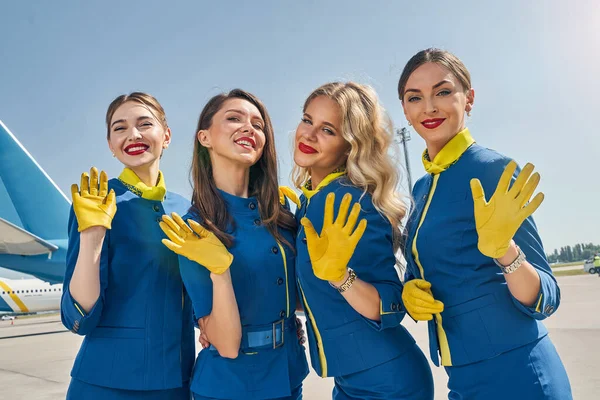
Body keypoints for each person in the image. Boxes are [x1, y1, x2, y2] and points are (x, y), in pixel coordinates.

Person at [398, 48, 572, 399]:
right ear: (405, 109)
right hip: (460, 374)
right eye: (415, 97)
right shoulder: (421, 188)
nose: (429, 107)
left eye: (443, 92)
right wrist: (410, 289)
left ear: (469, 98)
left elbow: (547, 298)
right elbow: (429, 267)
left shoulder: (494, 170)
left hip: (517, 373)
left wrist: (506, 252)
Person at [159, 89, 309, 399]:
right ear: (205, 137)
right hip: (230, 386)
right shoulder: (196, 228)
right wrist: (219, 270)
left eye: (258, 124)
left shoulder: (280, 213)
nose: (249, 128)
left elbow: (297, 296)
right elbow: (226, 345)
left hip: (289, 376)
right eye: (233, 119)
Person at [289, 81, 434, 399]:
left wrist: (342, 277)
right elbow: (315, 295)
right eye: (307, 119)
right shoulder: (310, 203)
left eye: (328, 130)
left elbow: (392, 306)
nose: (309, 134)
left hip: (386, 382)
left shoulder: (350, 201)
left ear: (350, 145)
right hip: (350, 379)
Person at [61, 92, 195, 399]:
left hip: (178, 379)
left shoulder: (188, 209)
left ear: (167, 135)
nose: (133, 134)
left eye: (144, 123)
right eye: (119, 128)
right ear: (110, 145)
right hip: (105, 382)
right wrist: (92, 235)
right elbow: (78, 317)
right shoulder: (95, 202)